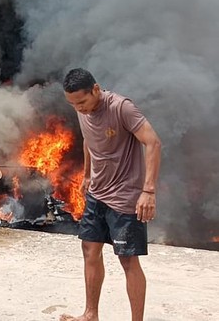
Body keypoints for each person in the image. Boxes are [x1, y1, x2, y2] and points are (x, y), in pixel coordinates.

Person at [61, 68, 161, 321]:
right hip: (97, 193)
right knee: (89, 250)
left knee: (128, 260)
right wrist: (86, 175)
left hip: (126, 198)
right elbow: (87, 139)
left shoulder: (121, 108)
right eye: (73, 104)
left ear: (96, 89)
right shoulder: (81, 109)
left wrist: (148, 191)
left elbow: (153, 142)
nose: (79, 108)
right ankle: (90, 314)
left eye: (82, 102)